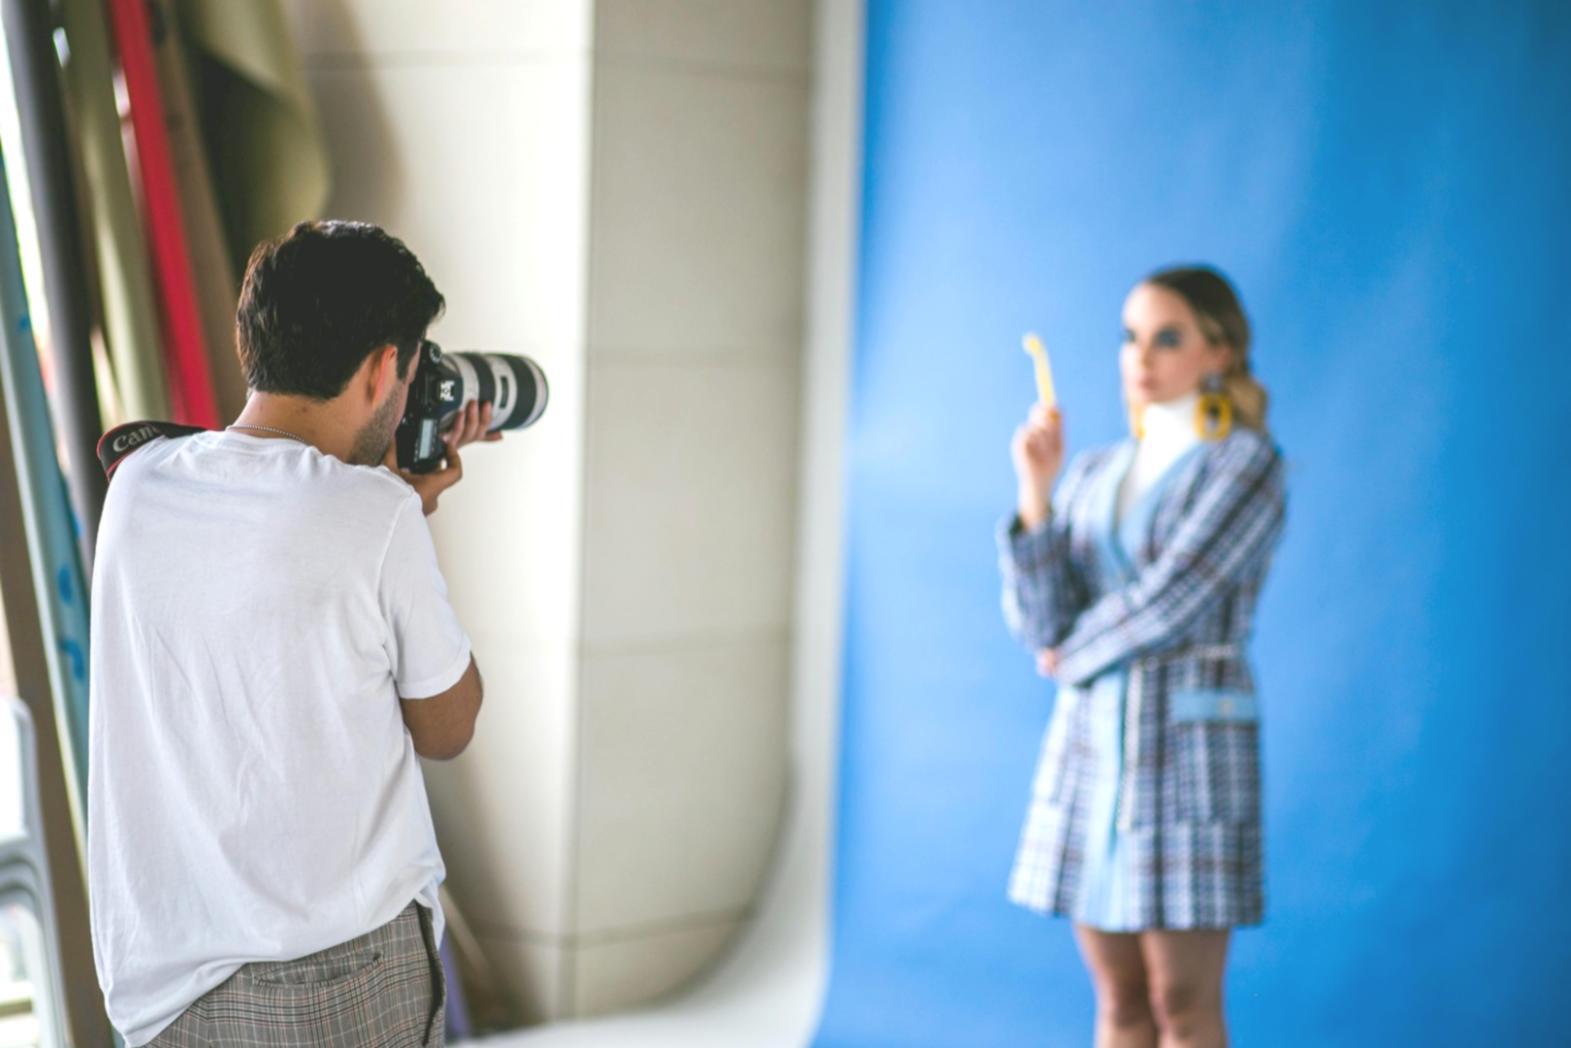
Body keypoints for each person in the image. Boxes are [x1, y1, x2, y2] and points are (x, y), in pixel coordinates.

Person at [87, 220, 500, 1046]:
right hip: (336, 978)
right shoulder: (373, 519)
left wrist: (385, 508)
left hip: (163, 979)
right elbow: (448, 726)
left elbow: (271, 562)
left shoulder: (137, 485)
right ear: (386, 364)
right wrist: (404, 519)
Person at [998, 265, 1287, 1048]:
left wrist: (1071, 653)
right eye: (1130, 337)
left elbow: (1173, 600)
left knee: (1181, 1005)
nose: (1140, 356)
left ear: (1218, 351)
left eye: (1167, 337)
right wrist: (1036, 493)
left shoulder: (1245, 465)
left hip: (1188, 749)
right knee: (1118, 1002)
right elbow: (1040, 625)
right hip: (1092, 758)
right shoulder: (1092, 472)